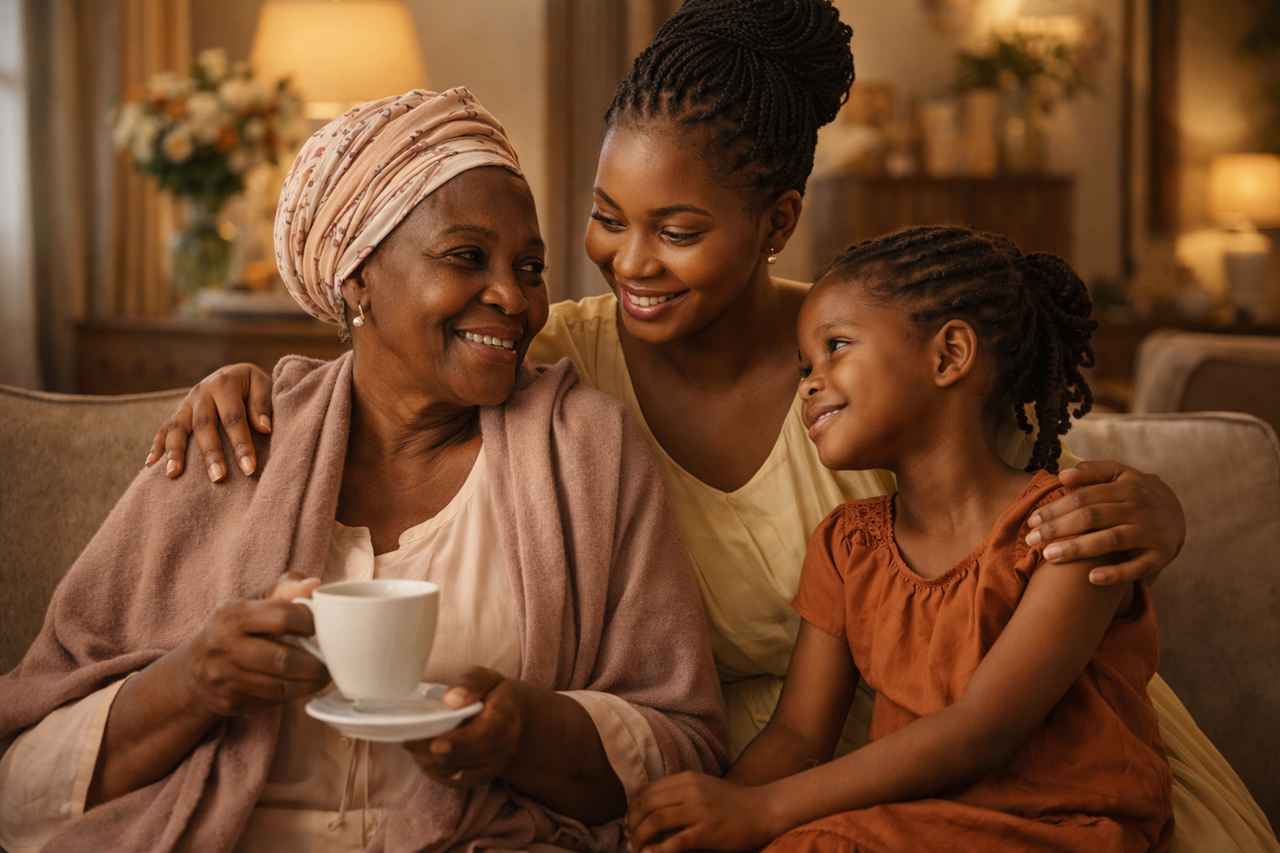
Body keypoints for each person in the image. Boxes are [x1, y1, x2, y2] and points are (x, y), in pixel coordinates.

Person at [139, 2, 1277, 847]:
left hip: (1031, 766)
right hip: (770, 777)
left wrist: (1157, 508)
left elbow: (1035, 483)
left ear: (777, 221)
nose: (631, 262)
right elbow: (402, 357)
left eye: (678, 230)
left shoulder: (868, 365)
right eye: (605, 218)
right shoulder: (553, 357)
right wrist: (253, 382)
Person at [0, 88, 725, 853]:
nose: (513, 297)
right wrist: (193, 682)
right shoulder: (232, 445)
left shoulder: (586, 452)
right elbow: (22, 777)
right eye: (466, 256)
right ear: (357, 279)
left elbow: (683, 747)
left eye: (531, 266)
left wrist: (525, 734)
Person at [627, 227, 1174, 852]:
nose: (808, 383)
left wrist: (761, 811)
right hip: (918, 821)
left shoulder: (1068, 531)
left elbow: (984, 728)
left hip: (1063, 825)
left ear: (949, 356)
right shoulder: (847, 547)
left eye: (836, 347)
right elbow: (798, 737)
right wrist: (715, 814)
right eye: (805, 366)